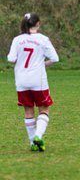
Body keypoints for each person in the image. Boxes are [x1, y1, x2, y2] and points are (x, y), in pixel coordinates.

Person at [7, 12, 59, 151]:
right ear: (37, 23)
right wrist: (43, 64)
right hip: (38, 81)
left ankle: (32, 143)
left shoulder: (17, 40)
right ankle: (38, 136)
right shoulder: (43, 39)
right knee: (44, 109)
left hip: (21, 81)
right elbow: (55, 58)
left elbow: (11, 59)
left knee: (28, 111)